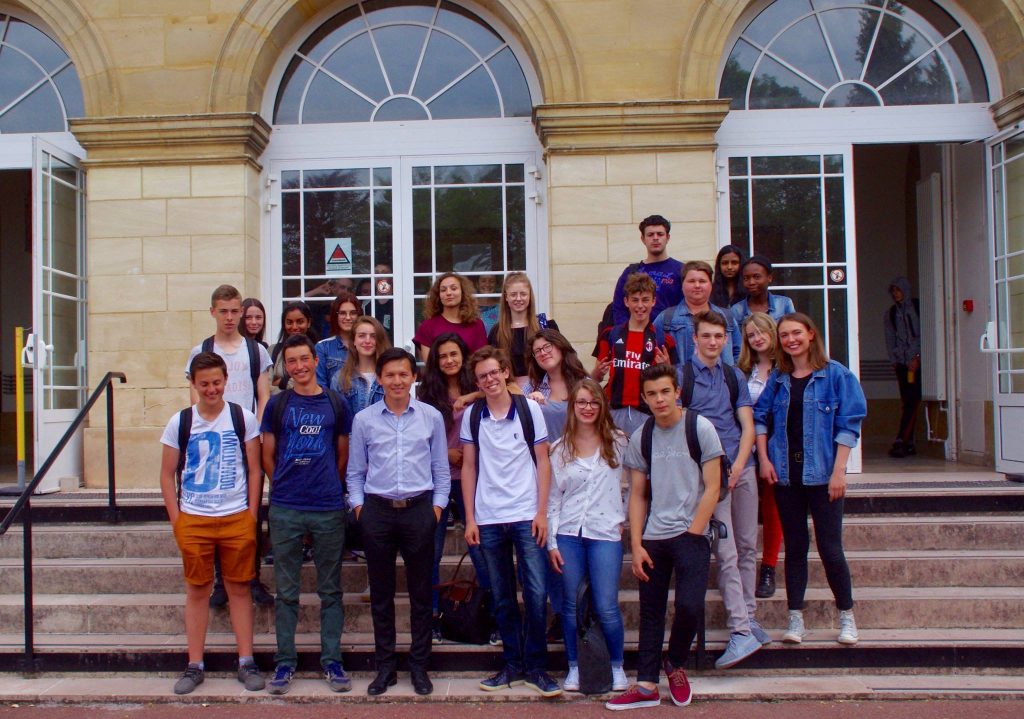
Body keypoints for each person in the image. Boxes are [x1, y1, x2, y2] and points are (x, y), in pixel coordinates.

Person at [605, 364, 721, 710]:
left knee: (688, 606)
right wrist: (637, 544)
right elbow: (638, 494)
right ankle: (645, 685)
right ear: (644, 398)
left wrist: (694, 531)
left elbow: (713, 487)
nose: (659, 399)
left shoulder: (699, 427)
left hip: (691, 532)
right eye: (652, 394)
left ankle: (676, 662)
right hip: (654, 535)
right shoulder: (643, 435)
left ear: (677, 392)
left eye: (665, 392)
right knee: (651, 611)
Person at [753, 312, 867, 647]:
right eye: (785, 335)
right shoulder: (778, 379)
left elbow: (849, 425)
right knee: (796, 548)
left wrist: (839, 471)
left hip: (823, 476)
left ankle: (846, 616)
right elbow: (761, 419)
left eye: (796, 333)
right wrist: (764, 459)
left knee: (831, 548)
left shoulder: (836, 375)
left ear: (811, 334)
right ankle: (795, 619)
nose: (790, 340)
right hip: (787, 476)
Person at [347, 347, 451, 697]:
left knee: (421, 594)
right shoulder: (364, 420)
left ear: (414, 377)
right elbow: (354, 472)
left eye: (403, 374)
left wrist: (436, 510)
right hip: (377, 512)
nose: (396, 381)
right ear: (379, 379)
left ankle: (420, 667)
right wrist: (361, 509)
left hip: (419, 510)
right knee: (381, 595)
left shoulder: (431, 417)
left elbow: (440, 469)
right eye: (389, 375)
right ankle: (386, 668)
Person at [160, 352, 265, 695]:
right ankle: (194, 664)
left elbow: (254, 468)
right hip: (195, 518)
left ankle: (246, 661)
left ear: (225, 381)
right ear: (193, 383)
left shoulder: (242, 417)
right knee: (198, 591)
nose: (211, 389)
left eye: (217, 382)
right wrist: (178, 521)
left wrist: (251, 514)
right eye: (204, 383)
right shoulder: (180, 422)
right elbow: (166, 473)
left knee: (239, 588)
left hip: (235, 516)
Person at [460, 347, 561, 697]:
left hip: (526, 514)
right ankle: (512, 665)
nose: (489, 380)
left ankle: (537, 667)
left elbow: (544, 462)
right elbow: (469, 467)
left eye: (493, 373)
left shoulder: (529, 409)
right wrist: (470, 517)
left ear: (505, 372)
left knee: (535, 594)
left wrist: (542, 511)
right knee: (502, 597)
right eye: (482, 376)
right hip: (488, 518)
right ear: (477, 382)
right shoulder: (473, 416)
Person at [261, 334, 352, 695]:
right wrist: (282, 485)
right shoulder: (277, 405)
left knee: (331, 590)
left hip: (328, 507)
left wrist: (329, 483)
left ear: (316, 360)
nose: (299, 367)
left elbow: (342, 455)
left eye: (304, 359)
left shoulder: (336, 402)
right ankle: (285, 663)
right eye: (292, 361)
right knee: (286, 591)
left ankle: (332, 660)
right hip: (286, 508)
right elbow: (267, 455)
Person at [682, 310, 765, 669]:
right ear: (695, 338)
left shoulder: (734, 376)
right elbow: (681, 429)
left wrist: (739, 466)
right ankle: (739, 630)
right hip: (707, 476)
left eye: (719, 336)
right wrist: (716, 473)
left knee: (748, 547)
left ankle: (749, 618)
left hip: (741, 470)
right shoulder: (682, 376)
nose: (713, 342)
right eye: (707, 336)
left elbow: (746, 425)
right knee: (727, 553)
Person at [184, 285, 273, 608]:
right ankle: (221, 582)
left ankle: (252, 577)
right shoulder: (201, 351)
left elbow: (263, 395)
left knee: (251, 510)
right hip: (213, 441)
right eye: (224, 311)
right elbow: (194, 397)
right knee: (219, 508)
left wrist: (259, 432)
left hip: (247, 437)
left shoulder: (255, 351)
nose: (230, 317)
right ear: (213, 312)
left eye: (236, 311)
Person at [547, 379, 628, 693]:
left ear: (602, 405)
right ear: (572, 406)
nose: (587, 407)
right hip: (568, 533)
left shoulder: (618, 442)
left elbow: (637, 484)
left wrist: (622, 514)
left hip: (605, 533)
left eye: (593, 402)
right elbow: (553, 499)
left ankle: (617, 666)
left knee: (607, 605)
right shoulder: (560, 448)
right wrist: (552, 542)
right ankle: (575, 666)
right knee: (570, 606)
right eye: (581, 402)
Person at [416, 333, 494, 645]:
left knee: (480, 549)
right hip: (437, 479)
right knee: (431, 552)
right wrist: (444, 454)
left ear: (463, 356)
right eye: (443, 356)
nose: (449, 360)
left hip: (471, 478)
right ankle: (433, 616)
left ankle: (493, 615)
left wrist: (472, 396)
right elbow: (416, 439)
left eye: (454, 354)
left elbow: (509, 390)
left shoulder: (479, 386)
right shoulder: (427, 395)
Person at [592, 272, 677, 435]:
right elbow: (596, 378)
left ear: (653, 301)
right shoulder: (610, 334)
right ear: (626, 301)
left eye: (645, 300)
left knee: (644, 459)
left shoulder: (663, 340)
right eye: (635, 300)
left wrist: (666, 368)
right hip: (613, 412)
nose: (640, 306)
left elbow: (672, 385)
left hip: (648, 414)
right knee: (613, 459)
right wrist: (597, 372)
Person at [738, 312, 783, 599]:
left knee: (773, 509)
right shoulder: (743, 371)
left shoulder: (787, 368)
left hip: (778, 446)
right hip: (748, 448)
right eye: (751, 334)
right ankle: (742, 567)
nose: (757, 338)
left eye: (761, 332)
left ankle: (768, 567)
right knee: (746, 511)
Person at [653, 260, 741, 366]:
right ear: (682, 285)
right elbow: (652, 350)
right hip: (680, 381)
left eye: (702, 281)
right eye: (691, 281)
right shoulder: (666, 318)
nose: (697, 285)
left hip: (721, 382)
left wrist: (732, 375)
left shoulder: (727, 317)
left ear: (711, 285)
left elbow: (739, 353)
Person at [609, 215, 684, 326]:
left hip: (670, 335)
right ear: (643, 239)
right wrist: (626, 334)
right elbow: (619, 308)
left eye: (660, 234)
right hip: (638, 335)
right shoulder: (631, 272)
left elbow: (686, 308)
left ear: (667, 237)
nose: (655, 238)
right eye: (650, 235)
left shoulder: (681, 270)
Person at [487, 272, 558, 387]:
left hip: (545, 391)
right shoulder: (497, 331)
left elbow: (561, 358)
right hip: (511, 392)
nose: (518, 298)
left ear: (530, 296)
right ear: (506, 297)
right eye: (513, 294)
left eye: (523, 294)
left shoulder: (545, 324)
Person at [525, 328, 589, 443]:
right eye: (538, 351)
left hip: (580, 455)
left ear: (560, 346)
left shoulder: (585, 384)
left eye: (547, 346)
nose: (543, 353)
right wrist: (528, 402)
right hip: (546, 456)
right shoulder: (532, 386)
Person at [883, 276, 921, 458]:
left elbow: (924, 334)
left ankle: (902, 439)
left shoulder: (917, 308)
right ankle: (909, 441)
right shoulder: (891, 313)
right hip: (902, 364)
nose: (896, 294)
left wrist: (918, 357)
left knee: (913, 401)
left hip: (918, 363)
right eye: (893, 291)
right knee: (908, 402)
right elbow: (890, 338)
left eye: (898, 290)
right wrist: (894, 360)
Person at [413, 272, 488, 361]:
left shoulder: (476, 324)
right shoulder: (428, 326)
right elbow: (429, 367)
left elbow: (482, 361)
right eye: (443, 290)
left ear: (462, 292)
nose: (448, 293)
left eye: (454, 288)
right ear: (438, 295)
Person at [331, 316, 390, 418]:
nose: (367, 341)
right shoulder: (340, 378)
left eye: (373, 336)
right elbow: (337, 419)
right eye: (361, 336)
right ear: (353, 340)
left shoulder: (390, 376)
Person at [269, 301, 320, 394]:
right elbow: (267, 387)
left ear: (308, 323)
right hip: (280, 406)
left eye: (300, 322)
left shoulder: (319, 350)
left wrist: (281, 382)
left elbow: (318, 384)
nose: (294, 327)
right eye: (289, 322)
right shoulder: (273, 351)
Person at [314, 291, 360, 390]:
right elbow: (320, 386)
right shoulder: (323, 347)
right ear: (336, 316)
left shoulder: (368, 344)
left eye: (353, 313)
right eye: (342, 313)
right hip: (334, 404)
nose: (348, 317)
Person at [731, 255, 796, 323]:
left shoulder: (784, 304)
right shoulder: (737, 310)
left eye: (757, 277)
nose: (751, 282)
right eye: (746, 278)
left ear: (769, 278)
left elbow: (792, 329)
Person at [710, 244, 746, 308]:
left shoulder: (748, 289)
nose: (729, 267)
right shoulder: (711, 291)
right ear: (719, 265)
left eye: (734, 263)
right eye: (725, 263)